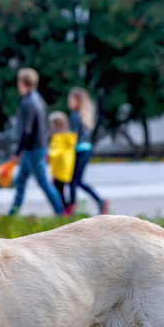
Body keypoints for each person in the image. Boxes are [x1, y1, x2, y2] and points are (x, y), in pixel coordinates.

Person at [8, 68, 65, 216]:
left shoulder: (27, 102)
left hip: (33, 149)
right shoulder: (38, 99)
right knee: (20, 180)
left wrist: (17, 152)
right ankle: (12, 213)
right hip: (36, 147)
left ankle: (61, 212)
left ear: (22, 83)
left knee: (43, 183)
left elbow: (26, 130)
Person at [67, 87, 109, 215]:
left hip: (78, 151)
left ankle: (71, 209)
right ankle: (99, 201)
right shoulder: (84, 116)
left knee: (73, 181)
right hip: (86, 149)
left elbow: (73, 136)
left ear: (77, 101)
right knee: (77, 181)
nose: (69, 102)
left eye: (71, 99)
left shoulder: (74, 116)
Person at [46, 111, 78, 215]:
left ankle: (63, 211)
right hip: (67, 166)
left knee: (58, 190)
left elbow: (56, 151)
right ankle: (67, 209)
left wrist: (48, 155)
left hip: (59, 168)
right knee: (62, 189)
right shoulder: (69, 136)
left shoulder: (57, 137)